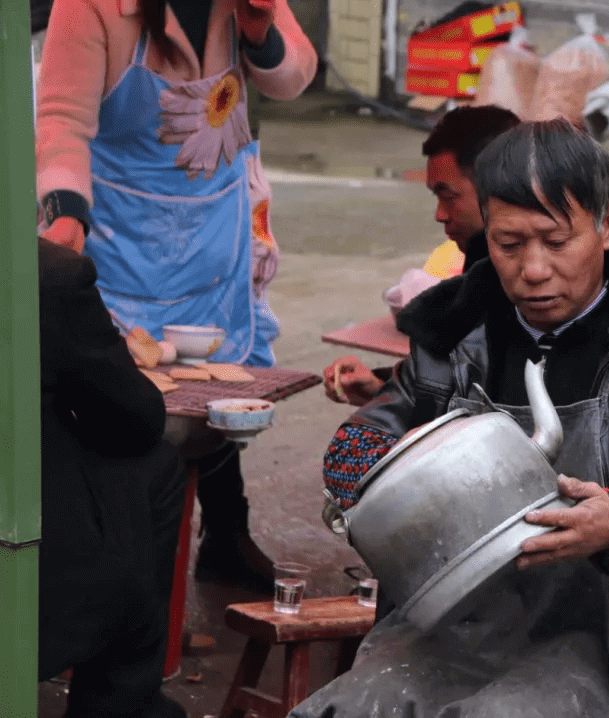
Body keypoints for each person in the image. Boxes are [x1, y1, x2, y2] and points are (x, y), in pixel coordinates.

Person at [300, 120, 609, 718]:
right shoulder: (452, 336)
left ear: (606, 226)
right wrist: (390, 477)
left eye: (555, 242)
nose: (532, 270)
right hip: (451, 632)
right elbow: (361, 439)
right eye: (508, 243)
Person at [34, 0, 318, 591]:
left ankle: (225, 532)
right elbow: (62, 121)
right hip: (122, 235)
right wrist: (64, 219)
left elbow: (294, 80)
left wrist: (260, 31)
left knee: (217, 383)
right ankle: (117, 570)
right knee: (128, 404)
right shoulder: (89, 7)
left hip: (215, 223)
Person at [38, 237, 189, 718]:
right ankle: (120, 700)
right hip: (38, 598)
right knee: (158, 464)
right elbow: (134, 421)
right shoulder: (45, 275)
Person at [322, 105, 521, 407]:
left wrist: (391, 393)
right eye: (436, 197)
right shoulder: (484, 263)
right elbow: (459, 384)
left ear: (497, 187)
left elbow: (480, 408)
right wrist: (383, 386)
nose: (440, 215)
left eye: (449, 196)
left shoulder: (524, 283)